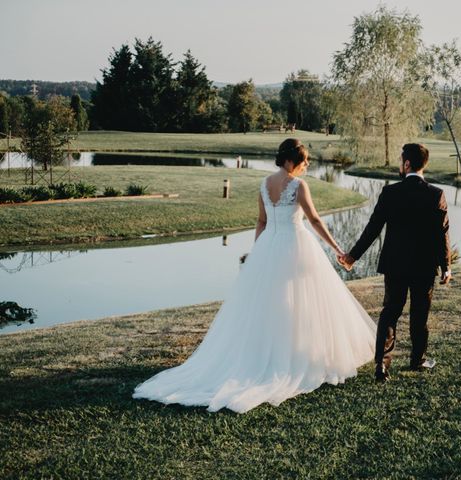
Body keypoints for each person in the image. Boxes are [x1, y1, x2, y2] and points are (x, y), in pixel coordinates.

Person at [133, 138, 376, 413]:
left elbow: (261, 221)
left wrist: (257, 252)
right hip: (294, 246)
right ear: (291, 160)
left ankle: (273, 351)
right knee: (299, 300)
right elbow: (315, 220)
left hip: (268, 247)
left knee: (268, 302)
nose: (306, 166)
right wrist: (337, 248)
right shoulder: (298, 186)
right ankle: (291, 355)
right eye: (304, 160)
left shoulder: (264, 184)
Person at [338, 143, 451, 383]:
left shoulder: (390, 193)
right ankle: (417, 360)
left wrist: (352, 256)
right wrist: (446, 266)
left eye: (401, 161)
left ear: (407, 164)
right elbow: (442, 233)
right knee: (420, 315)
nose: (400, 164)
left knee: (390, 312)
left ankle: (382, 366)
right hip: (423, 266)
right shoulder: (436, 194)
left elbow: (372, 230)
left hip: (395, 264)